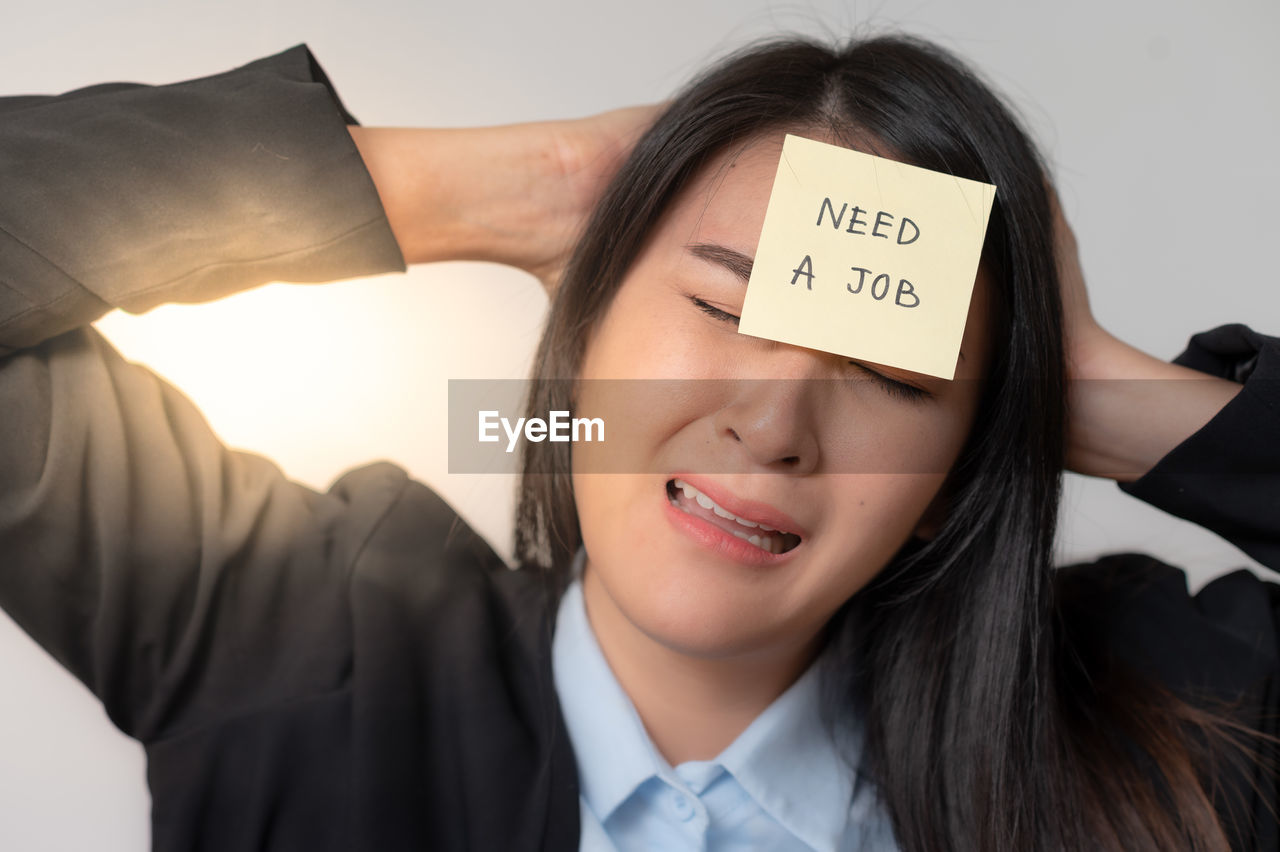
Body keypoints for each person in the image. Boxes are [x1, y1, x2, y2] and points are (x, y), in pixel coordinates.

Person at [0, 35, 1275, 852]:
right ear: (579, 339)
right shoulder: (288, 633)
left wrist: (1090, 389)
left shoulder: (1159, 727)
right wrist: (533, 183)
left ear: (949, 487)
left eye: (889, 376)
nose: (771, 427)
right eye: (721, 308)